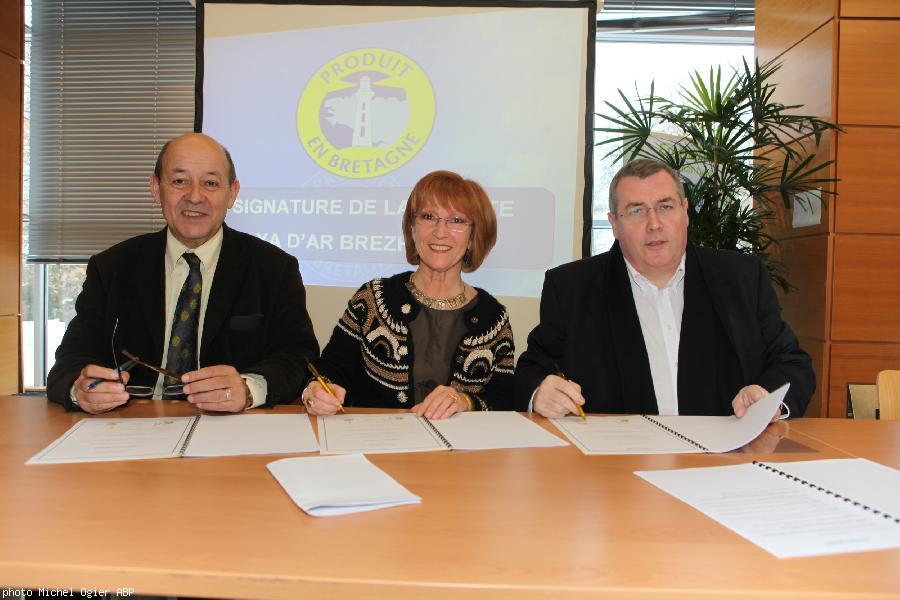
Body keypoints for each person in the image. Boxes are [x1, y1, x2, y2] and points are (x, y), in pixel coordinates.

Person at [515, 158, 814, 419]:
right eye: (636, 211)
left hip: (721, 461)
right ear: (614, 224)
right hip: (616, 466)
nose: (654, 224)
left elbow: (792, 363)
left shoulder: (741, 277)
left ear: (685, 212)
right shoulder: (572, 288)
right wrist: (539, 391)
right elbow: (531, 371)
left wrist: (766, 397)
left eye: (665, 207)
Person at [47, 133, 319, 413]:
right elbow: (69, 362)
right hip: (134, 425)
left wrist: (248, 389)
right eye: (179, 181)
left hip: (231, 429)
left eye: (210, 183)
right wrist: (80, 390)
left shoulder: (274, 267)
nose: (195, 196)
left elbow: (299, 357)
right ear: (156, 188)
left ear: (232, 193)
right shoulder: (112, 266)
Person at [303, 170, 514, 419]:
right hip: (375, 446)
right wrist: (315, 390)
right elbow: (331, 369)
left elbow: (507, 398)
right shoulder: (372, 299)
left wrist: (465, 401)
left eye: (457, 220)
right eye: (428, 217)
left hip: (458, 455)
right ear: (412, 229)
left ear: (473, 237)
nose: (440, 232)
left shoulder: (493, 318)